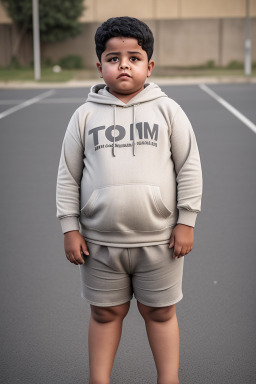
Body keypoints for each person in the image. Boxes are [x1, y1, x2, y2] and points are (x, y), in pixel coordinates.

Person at [56, 16, 203, 384]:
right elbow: (67, 175)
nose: (123, 64)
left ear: (149, 65)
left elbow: (189, 167)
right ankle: (99, 379)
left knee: (161, 313)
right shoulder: (84, 115)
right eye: (113, 57)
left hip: (161, 242)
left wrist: (186, 220)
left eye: (134, 57)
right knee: (105, 314)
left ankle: (168, 380)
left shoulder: (168, 110)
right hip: (99, 244)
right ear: (99, 66)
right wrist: (69, 227)